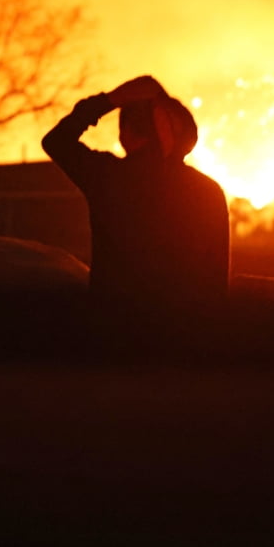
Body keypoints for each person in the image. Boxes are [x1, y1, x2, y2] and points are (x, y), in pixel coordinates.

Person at [42, 75, 229, 347]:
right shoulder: (209, 192)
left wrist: (107, 101)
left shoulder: (108, 176)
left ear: (127, 134)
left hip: (114, 339)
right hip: (187, 345)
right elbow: (217, 284)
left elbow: (56, 141)